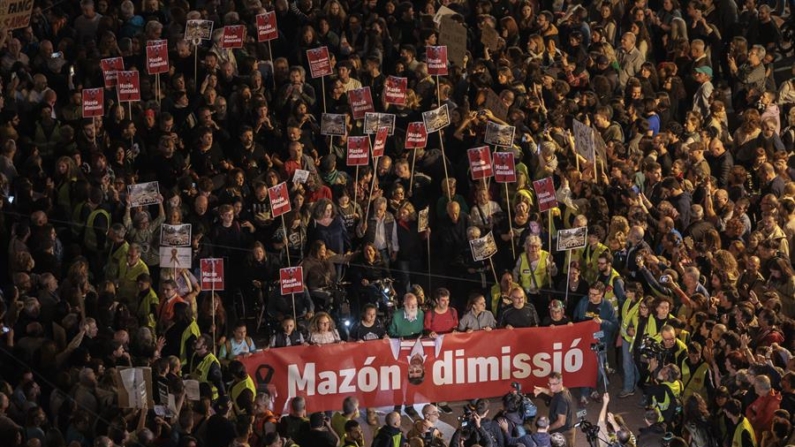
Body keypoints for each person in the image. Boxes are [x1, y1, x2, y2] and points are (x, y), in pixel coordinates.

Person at [533, 371, 576, 447]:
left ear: (560, 382)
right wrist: (542, 390)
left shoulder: (561, 400)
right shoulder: (564, 390)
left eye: (554, 384)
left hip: (563, 433)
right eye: (549, 383)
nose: (551, 387)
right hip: (567, 429)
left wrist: (548, 428)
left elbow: (561, 422)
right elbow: (553, 394)